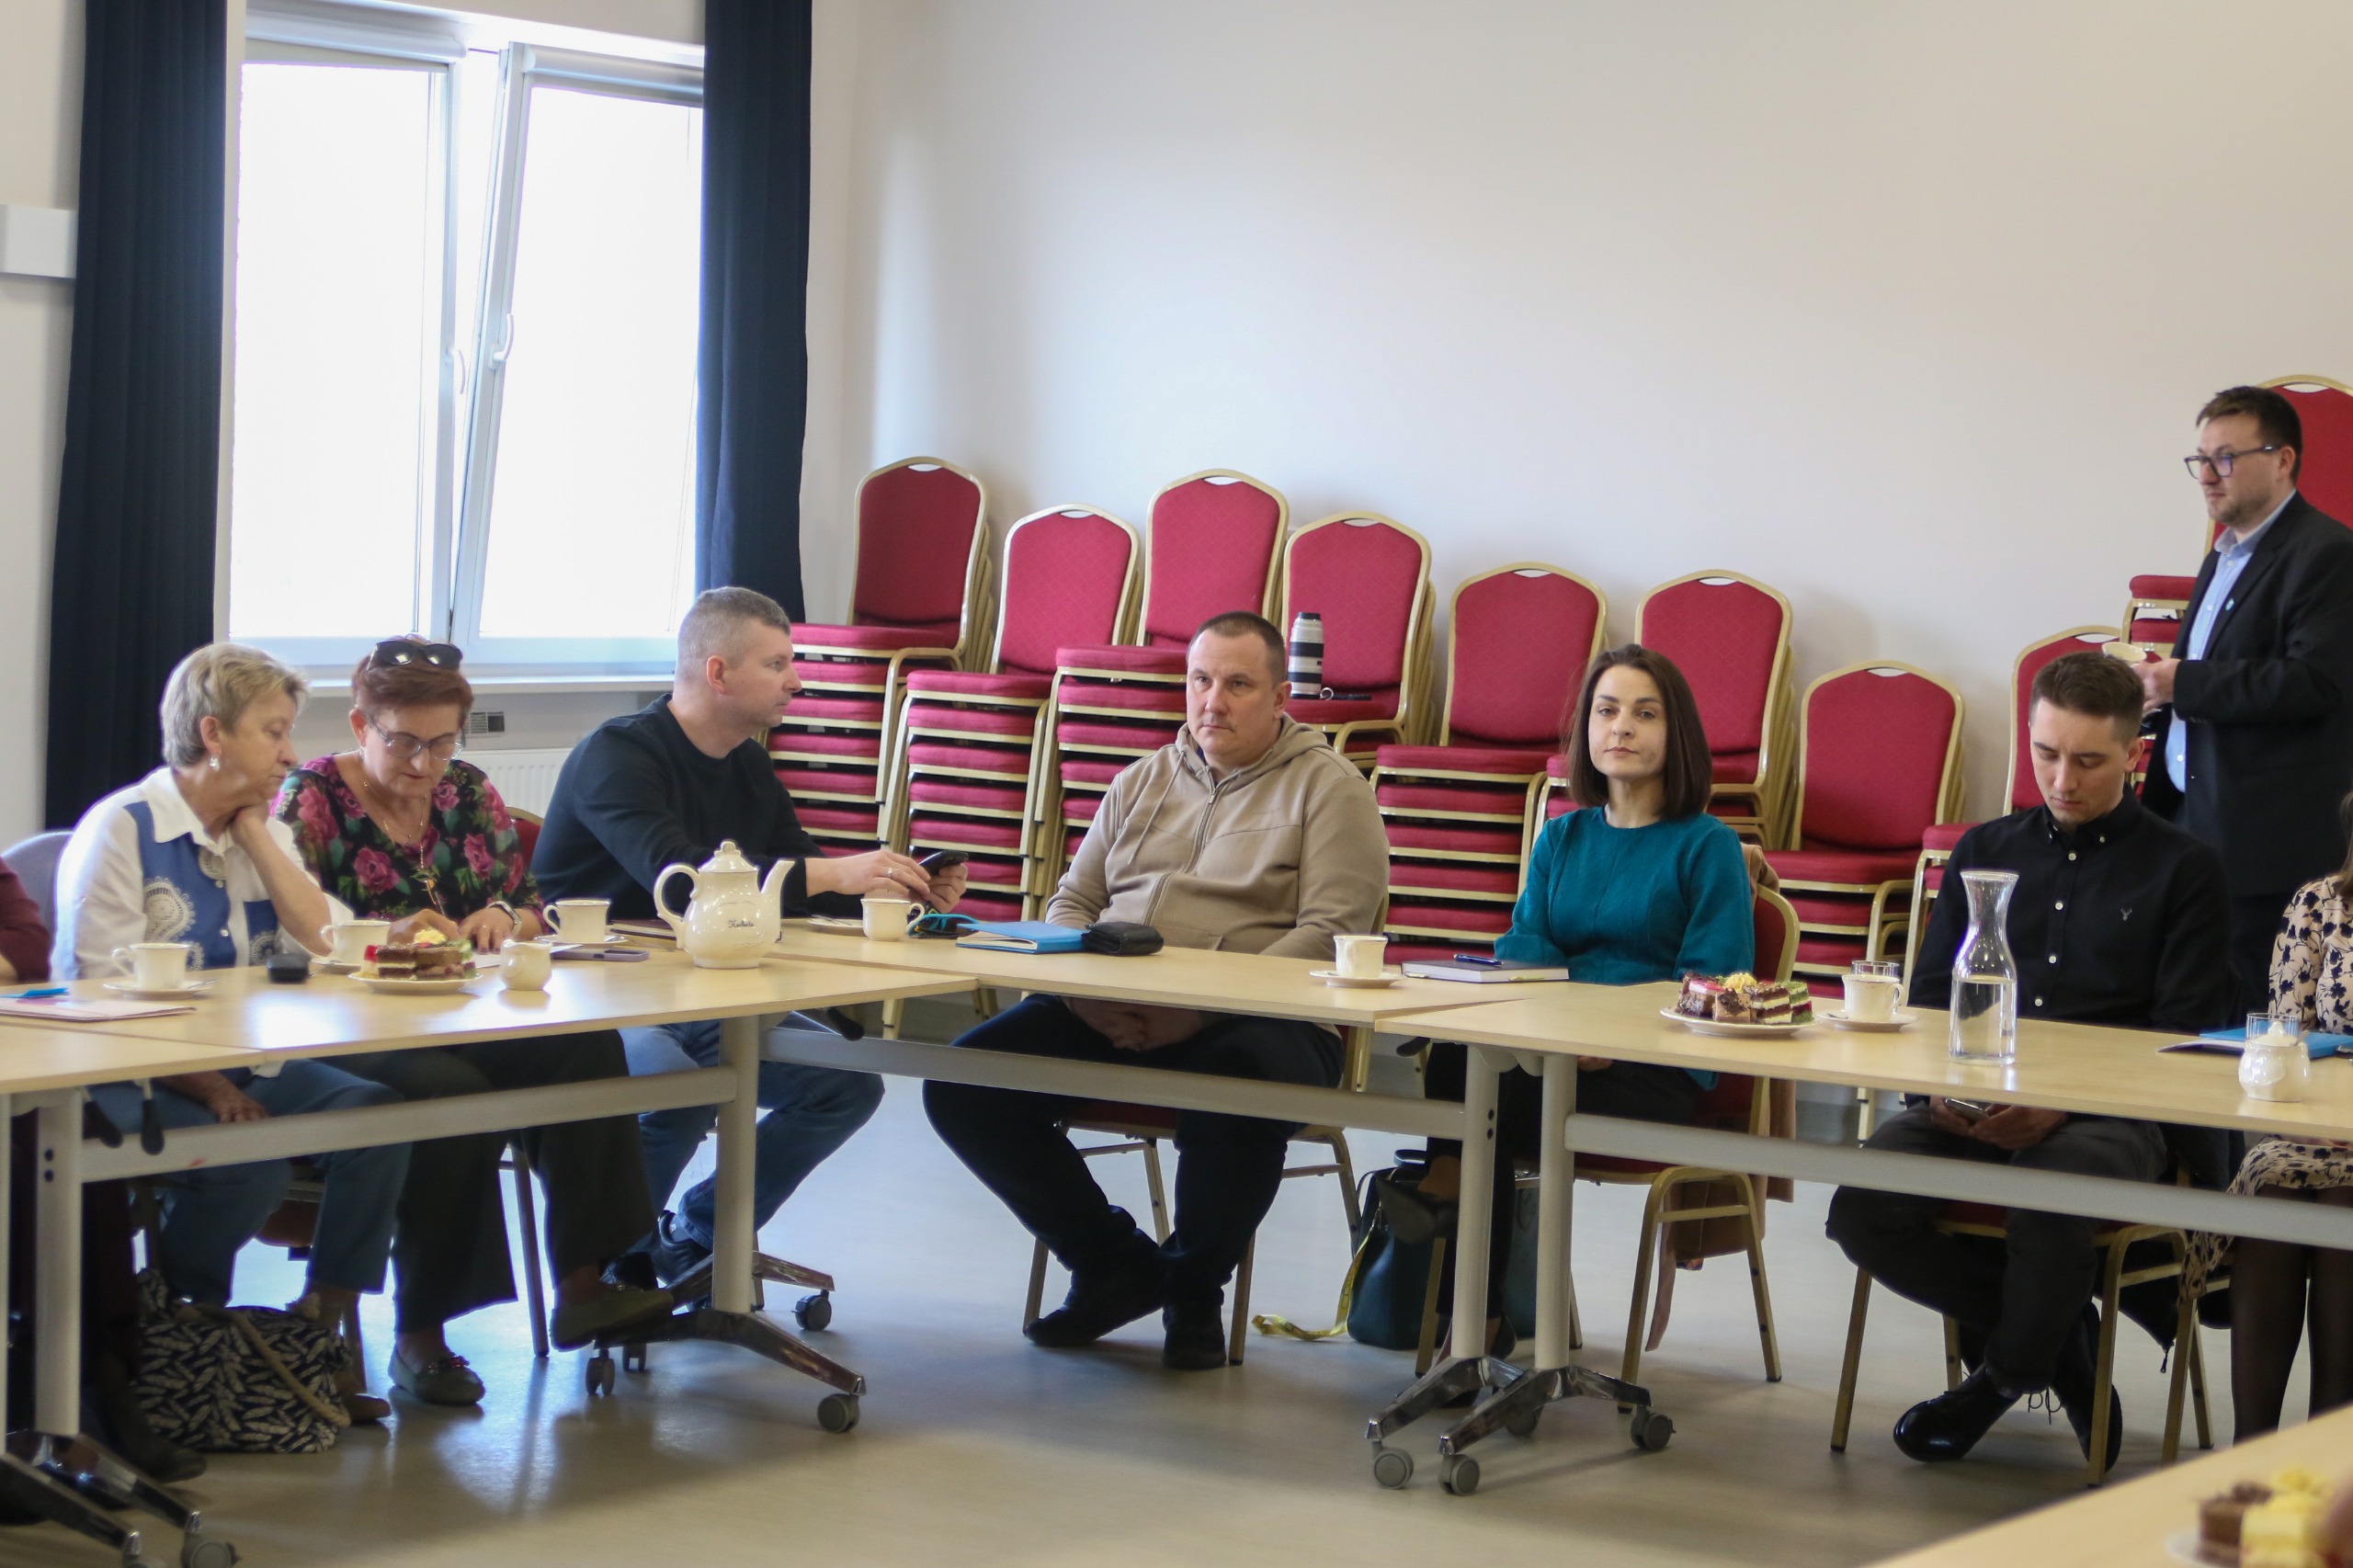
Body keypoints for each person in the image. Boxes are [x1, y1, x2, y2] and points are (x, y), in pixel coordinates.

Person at [923, 611, 1388, 1370]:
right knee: (964, 1082)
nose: (1213, 702)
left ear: (1280, 697)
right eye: (1201, 681)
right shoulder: (1141, 780)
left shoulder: (1331, 790)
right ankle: (1114, 1265)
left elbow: (1331, 934)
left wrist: (1197, 1010)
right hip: (1110, 1007)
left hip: (1266, 1019)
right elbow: (1073, 903)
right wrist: (1084, 996)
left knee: (1234, 1084)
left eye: (1238, 685)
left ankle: (1194, 1290)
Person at [1827, 651, 2232, 1470]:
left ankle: (2002, 1378)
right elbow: (1929, 1003)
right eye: (2046, 754)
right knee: (1862, 1206)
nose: (2062, 780)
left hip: (2114, 1116)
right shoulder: (1985, 848)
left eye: (2088, 761)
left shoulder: (2184, 868)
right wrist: (1936, 1097)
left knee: (2050, 1194)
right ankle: (2061, 1337)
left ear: (2134, 754)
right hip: (1972, 1102)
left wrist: (2066, 1106)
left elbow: (2179, 1038)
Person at [275, 637, 672, 1405]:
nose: (425, 764)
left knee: (585, 1049)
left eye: (443, 743)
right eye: (404, 742)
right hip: (351, 1027)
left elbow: (529, 903)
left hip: (465, 1012)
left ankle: (584, 1286)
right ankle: (422, 1332)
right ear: (360, 724)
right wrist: (381, 938)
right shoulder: (311, 799)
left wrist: (501, 916)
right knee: (446, 1089)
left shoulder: (469, 791)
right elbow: (286, 931)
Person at [534, 587, 965, 1286]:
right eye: (777, 664)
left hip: (706, 992)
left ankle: (703, 1235)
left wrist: (893, 890)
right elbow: (682, 879)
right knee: (677, 1090)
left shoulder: (748, 764)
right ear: (718, 672)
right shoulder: (617, 755)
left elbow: (798, 877)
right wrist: (838, 873)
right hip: (600, 994)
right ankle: (614, 1273)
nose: (796, 681)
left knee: (844, 1089)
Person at [51, 642, 409, 1421]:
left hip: (248, 1064)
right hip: (126, 1072)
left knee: (378, 1119)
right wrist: (212, 1086)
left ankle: (318, 1331)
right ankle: (175, 1329)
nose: (291, 754)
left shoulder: (261, 828)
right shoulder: (123, 829)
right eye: (273, 733)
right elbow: (99, 999)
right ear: (213, 734)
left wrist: (256, 842)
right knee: (250, 1165)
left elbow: (331, 942)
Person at [1415, 643, 1754, 1342]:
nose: (1620, 727)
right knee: (1456, 1063)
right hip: (1556, 1050)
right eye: (1606, 711)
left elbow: (1712, 981)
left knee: (1482, 1112)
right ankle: (1474, 1308)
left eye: (1644, 714)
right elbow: (1525, 945)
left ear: (1677, 734)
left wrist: (1607, 1033)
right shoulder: (1561, 837)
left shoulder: (1707, 845)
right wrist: (1563, 1025)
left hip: (1649, 1067)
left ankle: (1468, 1315)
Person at [2139, 385, 2353, 1015]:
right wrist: (2153, 697)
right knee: (2187, 1011)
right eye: (2200, 459)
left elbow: (2318, 681)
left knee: (2254, 1025)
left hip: (2263, 841)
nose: (2207, 475)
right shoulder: (2222, 556)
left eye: (2226, 458)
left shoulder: (2328, 554)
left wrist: (2181, 684)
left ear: (2283, 460)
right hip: (2189, 820)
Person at [2190, 788, 2353, 1439]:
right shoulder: (2319, 904)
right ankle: (2251, 1449)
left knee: (2346, 1204)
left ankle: (2326, 1450)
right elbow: (2285, 1037)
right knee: (2275, 1191)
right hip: (2315, 1126)